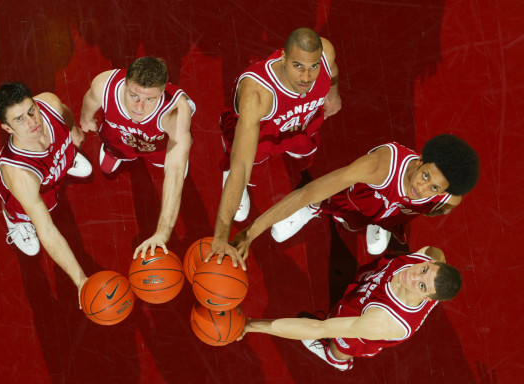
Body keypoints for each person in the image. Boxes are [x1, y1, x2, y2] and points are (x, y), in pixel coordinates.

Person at [209, 27, 342, 268]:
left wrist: (333, 91)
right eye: (298, 66)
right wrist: (221, 235)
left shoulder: (326, 52)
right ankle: (226, 169)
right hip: (262, 131)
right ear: (283, 57)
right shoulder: (257, 93)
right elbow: (242, 166)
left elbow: (331, 71)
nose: (306, 77)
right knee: (243, 157)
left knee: (305, 149)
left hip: (298, 122)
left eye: (313, 67)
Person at [233, 134, 479, 259]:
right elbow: (306, 191)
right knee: (324, 200)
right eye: (425, 176)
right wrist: (250, 233)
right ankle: (313, 210)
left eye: (434, 188)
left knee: (388, 217)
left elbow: (447, 205)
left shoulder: (447, 196)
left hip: (387, 213)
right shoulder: (379, 167)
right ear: (421, 161)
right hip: (355, 198)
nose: (422, 190)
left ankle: (379, 223)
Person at [239, 246, 461, 371]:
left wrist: (250, 325)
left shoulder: (383, 322)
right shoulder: (432, 255)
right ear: (431, 263)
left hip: (364, 323)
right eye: (423, 270)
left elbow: (320, 329)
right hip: (371, 288)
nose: (413, 276)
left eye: (421, 285)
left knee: (340, 343)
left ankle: (336, 360)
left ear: (427, 298)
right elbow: (437, 254)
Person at [80, 57, 194, 259]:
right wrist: (86, 118)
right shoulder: (104, 86)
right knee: (113, 151)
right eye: (133, 95)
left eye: (149, 99)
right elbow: (89, 101)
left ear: (162, 92)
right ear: (125, 84)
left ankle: (163, 156)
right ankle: (115, 153)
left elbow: (175, 171)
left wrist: (163, 232)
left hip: (156, 145)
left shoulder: (176, 111)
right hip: (118, 137)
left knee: (174, 167)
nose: (139, 107)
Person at [0, 82, 91, 296]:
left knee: (65, 149)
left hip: (54, 163)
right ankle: (14, 219)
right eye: (19, 120)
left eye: (31, 111)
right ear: (7, 128)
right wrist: (80, 279)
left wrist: (73, 131)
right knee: (26, 210)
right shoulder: (20, 175)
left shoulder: (50, 103)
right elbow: (47, 230)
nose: (32, 122)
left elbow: (64, 112)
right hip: (33, 187)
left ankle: (66, 160)